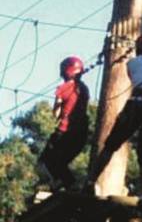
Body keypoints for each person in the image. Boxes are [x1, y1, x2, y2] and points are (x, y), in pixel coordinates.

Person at [87, 33, 142, 198]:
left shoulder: (133, 63)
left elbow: (133, 78)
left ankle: (90, 181)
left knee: (111, 144)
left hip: (136, 104)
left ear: (139, 48)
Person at [37, 56, 90, 191]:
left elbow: (56, 113)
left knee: (45, 161)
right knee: (61, 162)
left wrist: (58, 107)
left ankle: (63, 184)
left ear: (66, 71)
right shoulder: (84, 89)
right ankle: (68, 184)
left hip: (64, 130)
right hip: (82, 132)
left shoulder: (63, 88)